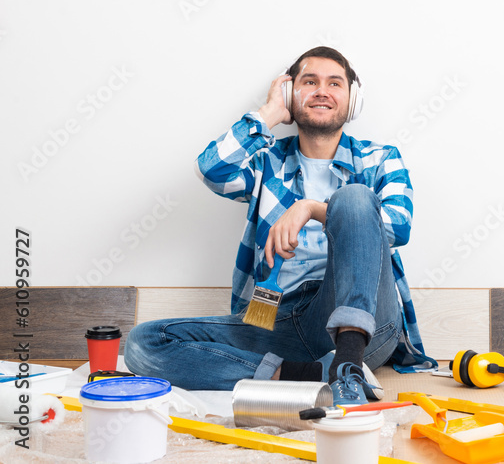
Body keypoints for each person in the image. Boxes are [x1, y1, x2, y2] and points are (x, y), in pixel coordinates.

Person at [124, 46, 435, 403]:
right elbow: (212, 169)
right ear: (291, 94)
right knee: (145, 343)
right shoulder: (266, 161)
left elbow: (397, 227)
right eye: (309, 82)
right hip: (277, 317)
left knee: (354, 198)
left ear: (353, 101)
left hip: (366, 322)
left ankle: (348, 363)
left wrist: (313, 209)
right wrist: (270, 112)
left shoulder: (381, 159)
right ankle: (303, 375)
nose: (322, 90)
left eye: (335, 83)